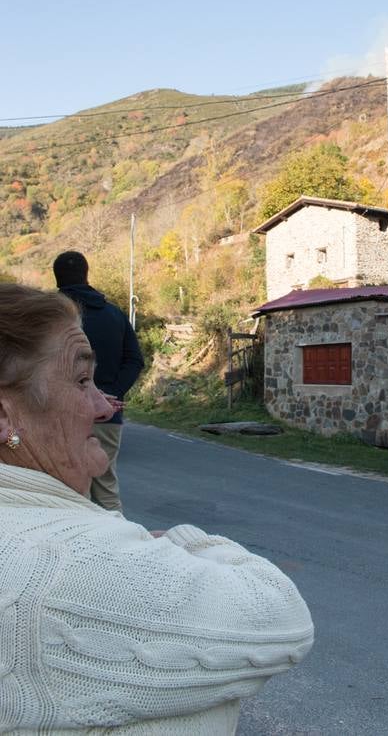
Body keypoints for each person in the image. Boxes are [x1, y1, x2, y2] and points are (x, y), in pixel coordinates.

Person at [0, 283, 313, 733]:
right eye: (83, 380)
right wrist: (185, 542)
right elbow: (284, 618)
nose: (102, 407)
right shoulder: (68, 564)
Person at [53, 250, 144, 512]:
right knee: (106, 489)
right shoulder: (115, 315)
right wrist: (108, 396)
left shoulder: (47, 319)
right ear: (86, 274)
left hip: (59, 416)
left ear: (57, 278)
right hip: (108, 416)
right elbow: (134, 360)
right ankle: (117, 548)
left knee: (64, 489)